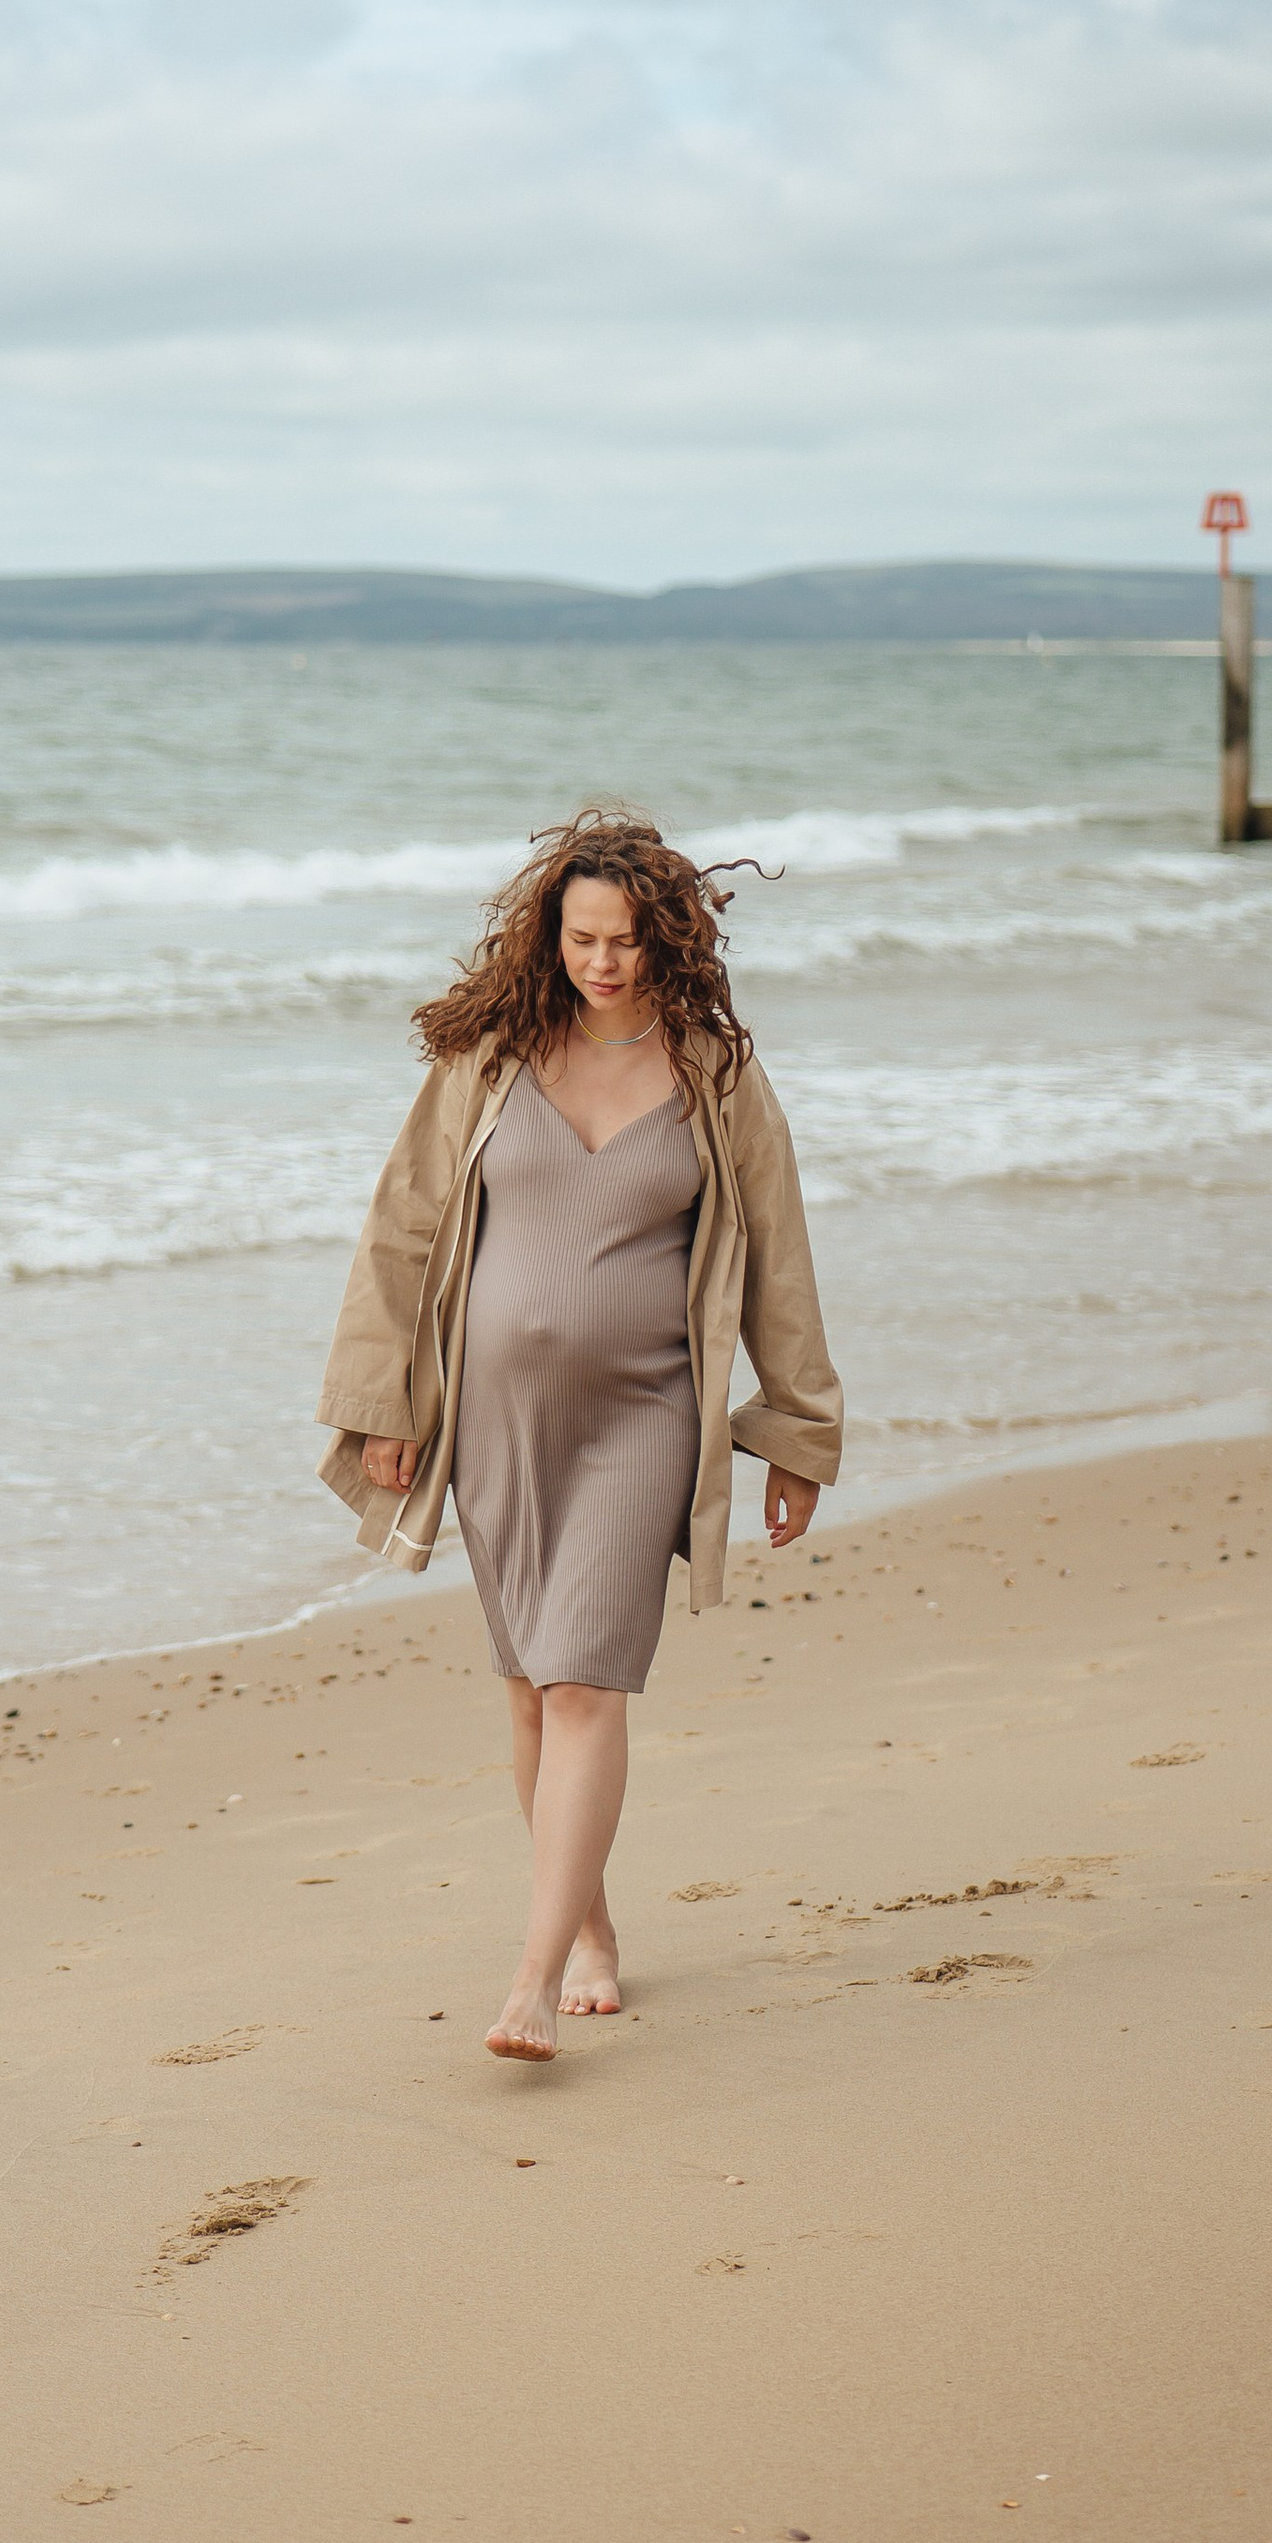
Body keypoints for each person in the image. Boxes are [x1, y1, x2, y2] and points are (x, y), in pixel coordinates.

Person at [316, 806, 843, 2060]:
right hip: (498, 1421)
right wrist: (384, 1404)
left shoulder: (714, 1074)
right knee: (527, 1694)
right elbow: (401, 1230)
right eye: (581, 938)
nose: (601, 962)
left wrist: (797, 1432)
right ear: (551, 936)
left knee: (584, 1682)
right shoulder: (493, 1054)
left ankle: (533, 1976)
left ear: (669, 941)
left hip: (643, 1415)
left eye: (624, 941)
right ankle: (594, 1930)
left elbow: (779, 1262)